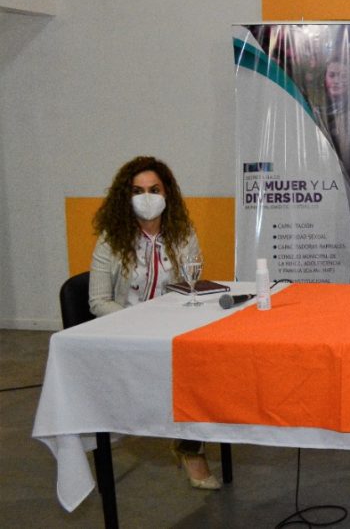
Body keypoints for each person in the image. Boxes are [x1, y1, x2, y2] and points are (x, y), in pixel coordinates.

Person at [88, 156, 219, 490]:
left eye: (154, 189)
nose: (147, 197)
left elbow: (190, 286)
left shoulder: (183, 235)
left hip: (171, 330)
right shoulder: (110, 240)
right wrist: (138, 322)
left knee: (206, 364)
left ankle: (190, 445)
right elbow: (98, 301)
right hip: (125, 335)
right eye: (138, 191)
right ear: (126, 197)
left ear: (166, 194)